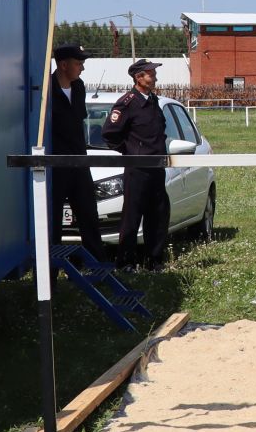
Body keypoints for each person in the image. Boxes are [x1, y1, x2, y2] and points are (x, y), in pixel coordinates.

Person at [102, 58, 170, 269]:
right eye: (151, 73)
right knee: (132, 217)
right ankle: (126, 262)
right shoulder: (128, 102)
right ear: (139, 77)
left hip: (156, 168)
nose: (155, 77)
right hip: (137, 170)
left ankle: (154, 260)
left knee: (158, 215)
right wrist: (132, 152)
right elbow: (110, 134)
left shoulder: (153, 101)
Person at [47, 43, 106, 263]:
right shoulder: (48, 90)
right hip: (57, 165)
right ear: (63, 65)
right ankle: (51, 272)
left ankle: (98, 268)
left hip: (79, 162)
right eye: (78, 63)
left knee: (89, 216)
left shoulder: (79, 87)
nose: (82, 68)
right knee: (53, 222)